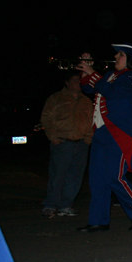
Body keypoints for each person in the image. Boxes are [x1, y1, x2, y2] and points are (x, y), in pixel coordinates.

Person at [76, 45, 132, 232]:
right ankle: (98, 220)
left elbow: (111, 93)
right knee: (97, 179)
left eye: (121, 55)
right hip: (102, 132)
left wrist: (93, 72)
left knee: (114, 176)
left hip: (119, 133)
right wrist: (86, 69)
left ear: (131, 60)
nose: (115, 57)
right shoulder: (110, 75)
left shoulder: (131, 78)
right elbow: (87, 87)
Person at [40, 72, 93, 218]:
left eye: (80, 80)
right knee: (57, 175)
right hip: (63, 142)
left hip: (81, 143)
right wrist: (53, 137)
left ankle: (66, 205)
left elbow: (91, 121)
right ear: (67, 83)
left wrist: (88, 139)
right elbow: (46, 118)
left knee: (75, 176)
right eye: (75, 80)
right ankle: (51, 205)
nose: (78, 83)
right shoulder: (56, 98)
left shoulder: (86, 101)